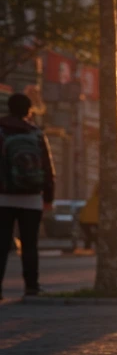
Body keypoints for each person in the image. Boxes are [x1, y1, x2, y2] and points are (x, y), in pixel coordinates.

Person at [0, 92, 56, 298]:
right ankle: (31, 286)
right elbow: (48, 169)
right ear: (28, 110)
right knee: (30, 244)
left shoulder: (1, 131)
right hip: (32, 198)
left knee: (2, 244)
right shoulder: (36, 133)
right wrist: (48, 197)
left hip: (2, 197)